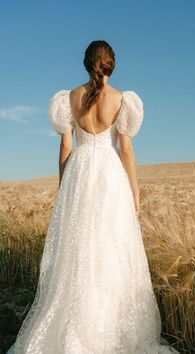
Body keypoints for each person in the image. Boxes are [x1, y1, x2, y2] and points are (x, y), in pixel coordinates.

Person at [6, 40, 180, 353]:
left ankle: (73, 323)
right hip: (109, 175)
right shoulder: (122, 100)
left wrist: (64, 187)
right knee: (110, 247)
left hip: (79, 173)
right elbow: (125, 150)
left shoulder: (69, 98)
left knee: (76, 250)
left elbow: (65, 147)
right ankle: (109, 328)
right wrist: (134, 192)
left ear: (87, 64)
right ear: (112, 65)